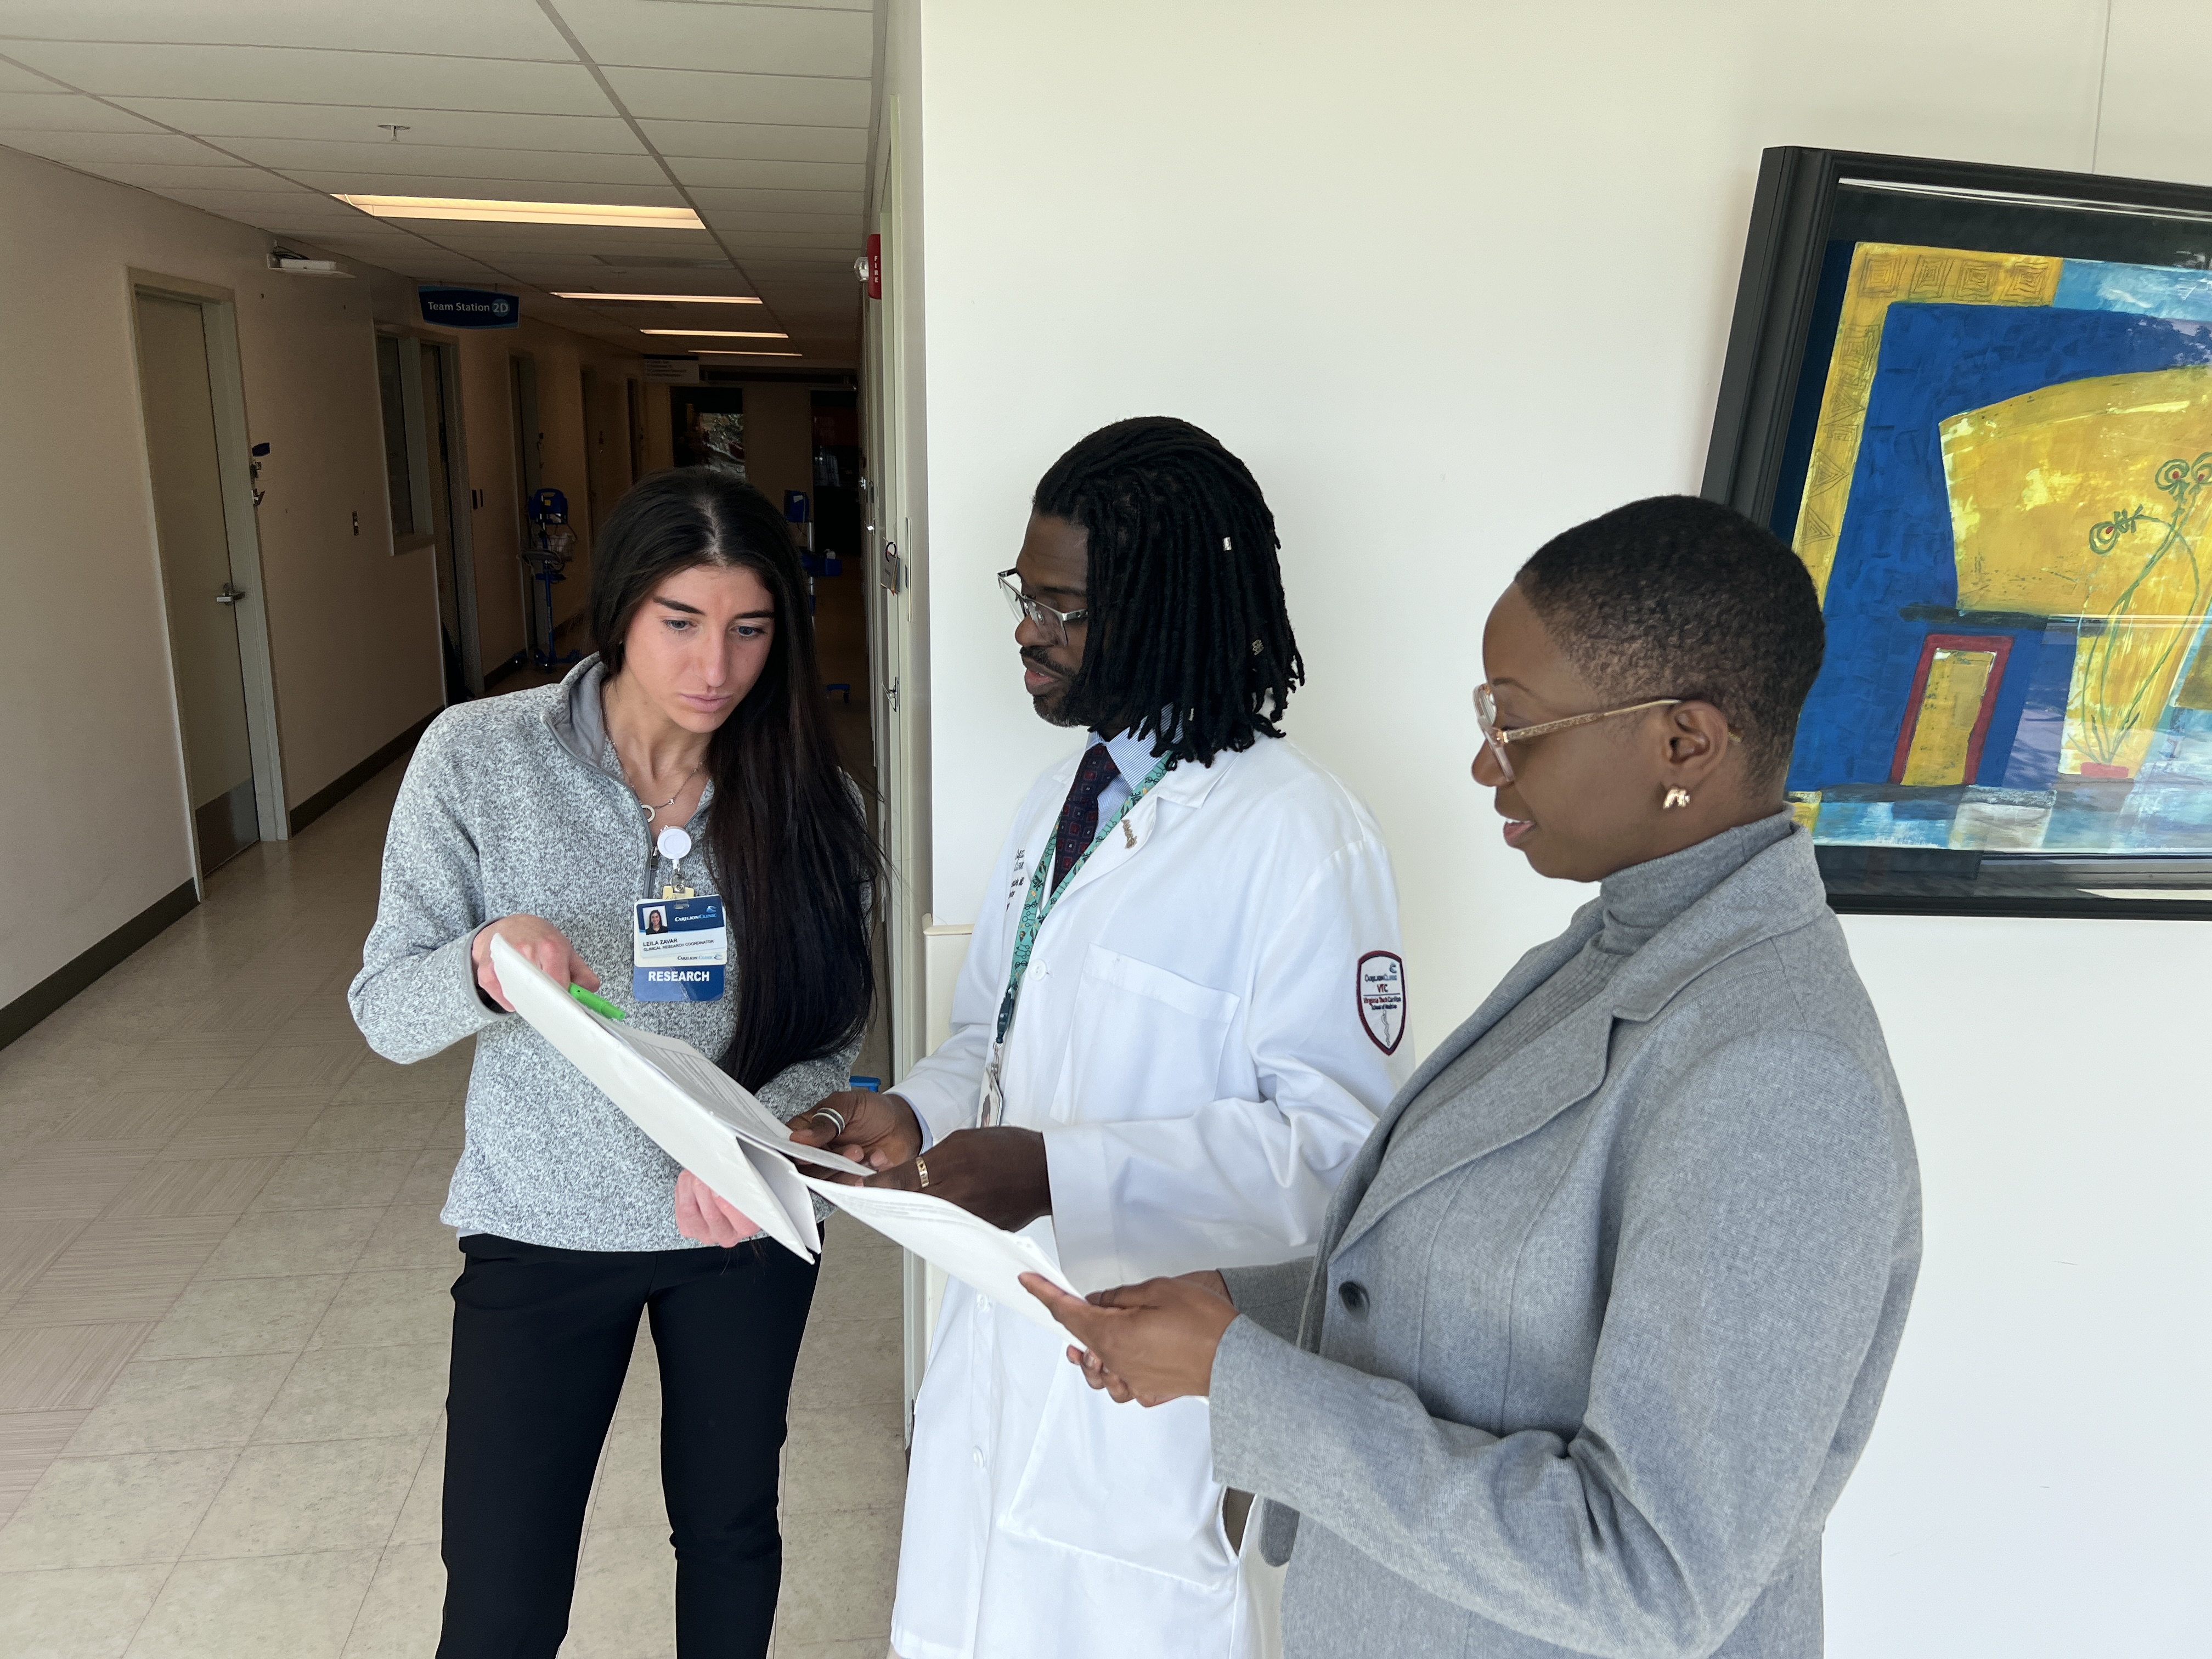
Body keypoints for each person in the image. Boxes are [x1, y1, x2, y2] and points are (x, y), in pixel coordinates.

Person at [1030, 495, 1923, 1659]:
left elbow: (1647, 1578)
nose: (1482, 760)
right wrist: (1226, 1303)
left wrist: (1240, 1378)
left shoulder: (1778, 1077)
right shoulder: (1610, 952)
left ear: (1683, 745)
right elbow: (1470, 1286)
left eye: (1518, 724)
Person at [793, 417, 1412, 1658]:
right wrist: (918, 1111)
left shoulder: (1299, 838)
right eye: (1031, 596)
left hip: (1141, 1379)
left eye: (1067, 609)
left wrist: (1053, 1170)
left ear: (1171, 610)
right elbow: (995, 1032)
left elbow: (1335, 1155)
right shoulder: (1060, 800)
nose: (1030, 629)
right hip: (1005, 1331)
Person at [348, 469, 877, 1659]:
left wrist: (762, 1137)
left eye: (750, 630)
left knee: (731, 1531)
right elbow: (385, 1010)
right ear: (622, 610)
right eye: (681, 622)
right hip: (541, 1223)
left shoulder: (808, 795)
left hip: (737, 1223)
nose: (716, 667)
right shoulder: (480, 758)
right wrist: (483, 960)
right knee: (501, 1572)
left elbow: (836, 1023)